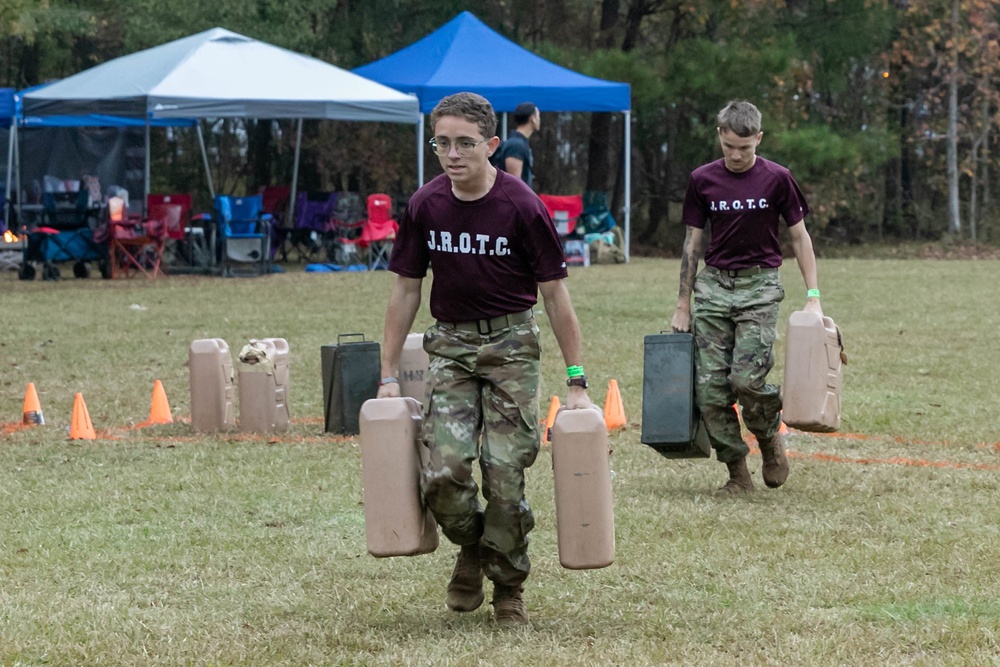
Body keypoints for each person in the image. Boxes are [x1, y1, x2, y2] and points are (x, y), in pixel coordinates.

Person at [376, 92, 594, 625]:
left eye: (465, 143)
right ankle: (474, 548)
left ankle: (509, 589)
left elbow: (556, 297)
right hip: (449, 347)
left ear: (492, 145)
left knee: (505, 475)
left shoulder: (522, 205)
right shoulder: (425, 204)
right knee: (442, 474)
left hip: (512, 350)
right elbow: (406, 292)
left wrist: (576, 378)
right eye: (442, 143)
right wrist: (386, 376)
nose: (452, 154)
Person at [670, 99, 822, 495]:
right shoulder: (702, 180)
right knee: (710, 391)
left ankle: (770, 439)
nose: (736, 156)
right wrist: (683, 303)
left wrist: (814, 295)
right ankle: (737, 472)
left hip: (760, 287)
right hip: (715, 288)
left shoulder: (778, 178)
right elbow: (692, 243)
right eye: (729, 147)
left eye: (745, 148)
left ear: (758, 138)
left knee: (747, 380)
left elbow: (799, 236)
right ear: (720, 136)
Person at [492, 102, 540, 189]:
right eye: (538, 116)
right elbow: (515, 184)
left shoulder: (520, 143)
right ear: (533, 119)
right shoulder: (516, 146)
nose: (539, 119)